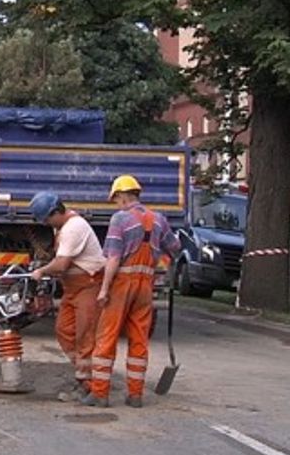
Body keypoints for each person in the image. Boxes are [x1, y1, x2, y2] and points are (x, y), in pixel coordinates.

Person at [85, 174, 181, 408]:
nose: (116, 204)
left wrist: (104, 289)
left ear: (122, 196)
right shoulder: (159, 219)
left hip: (123, 282)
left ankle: (99, 394)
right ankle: (135, 394)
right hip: (145, 284)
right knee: (139, 337)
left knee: (107, 336)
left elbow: (114, 258)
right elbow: (175, 248)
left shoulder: (120, 219)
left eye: (116, 199)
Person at [27, 191, 106, 401]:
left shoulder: (74, 227)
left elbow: (62, 264)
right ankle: (84, 376)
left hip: (88, 286)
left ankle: (93, 386)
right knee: (64, 330)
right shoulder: (61, 228)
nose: (46, 224)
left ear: (56, 212)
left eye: (47, 219)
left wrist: (42, 271)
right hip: (73, 289)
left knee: (85, 335)